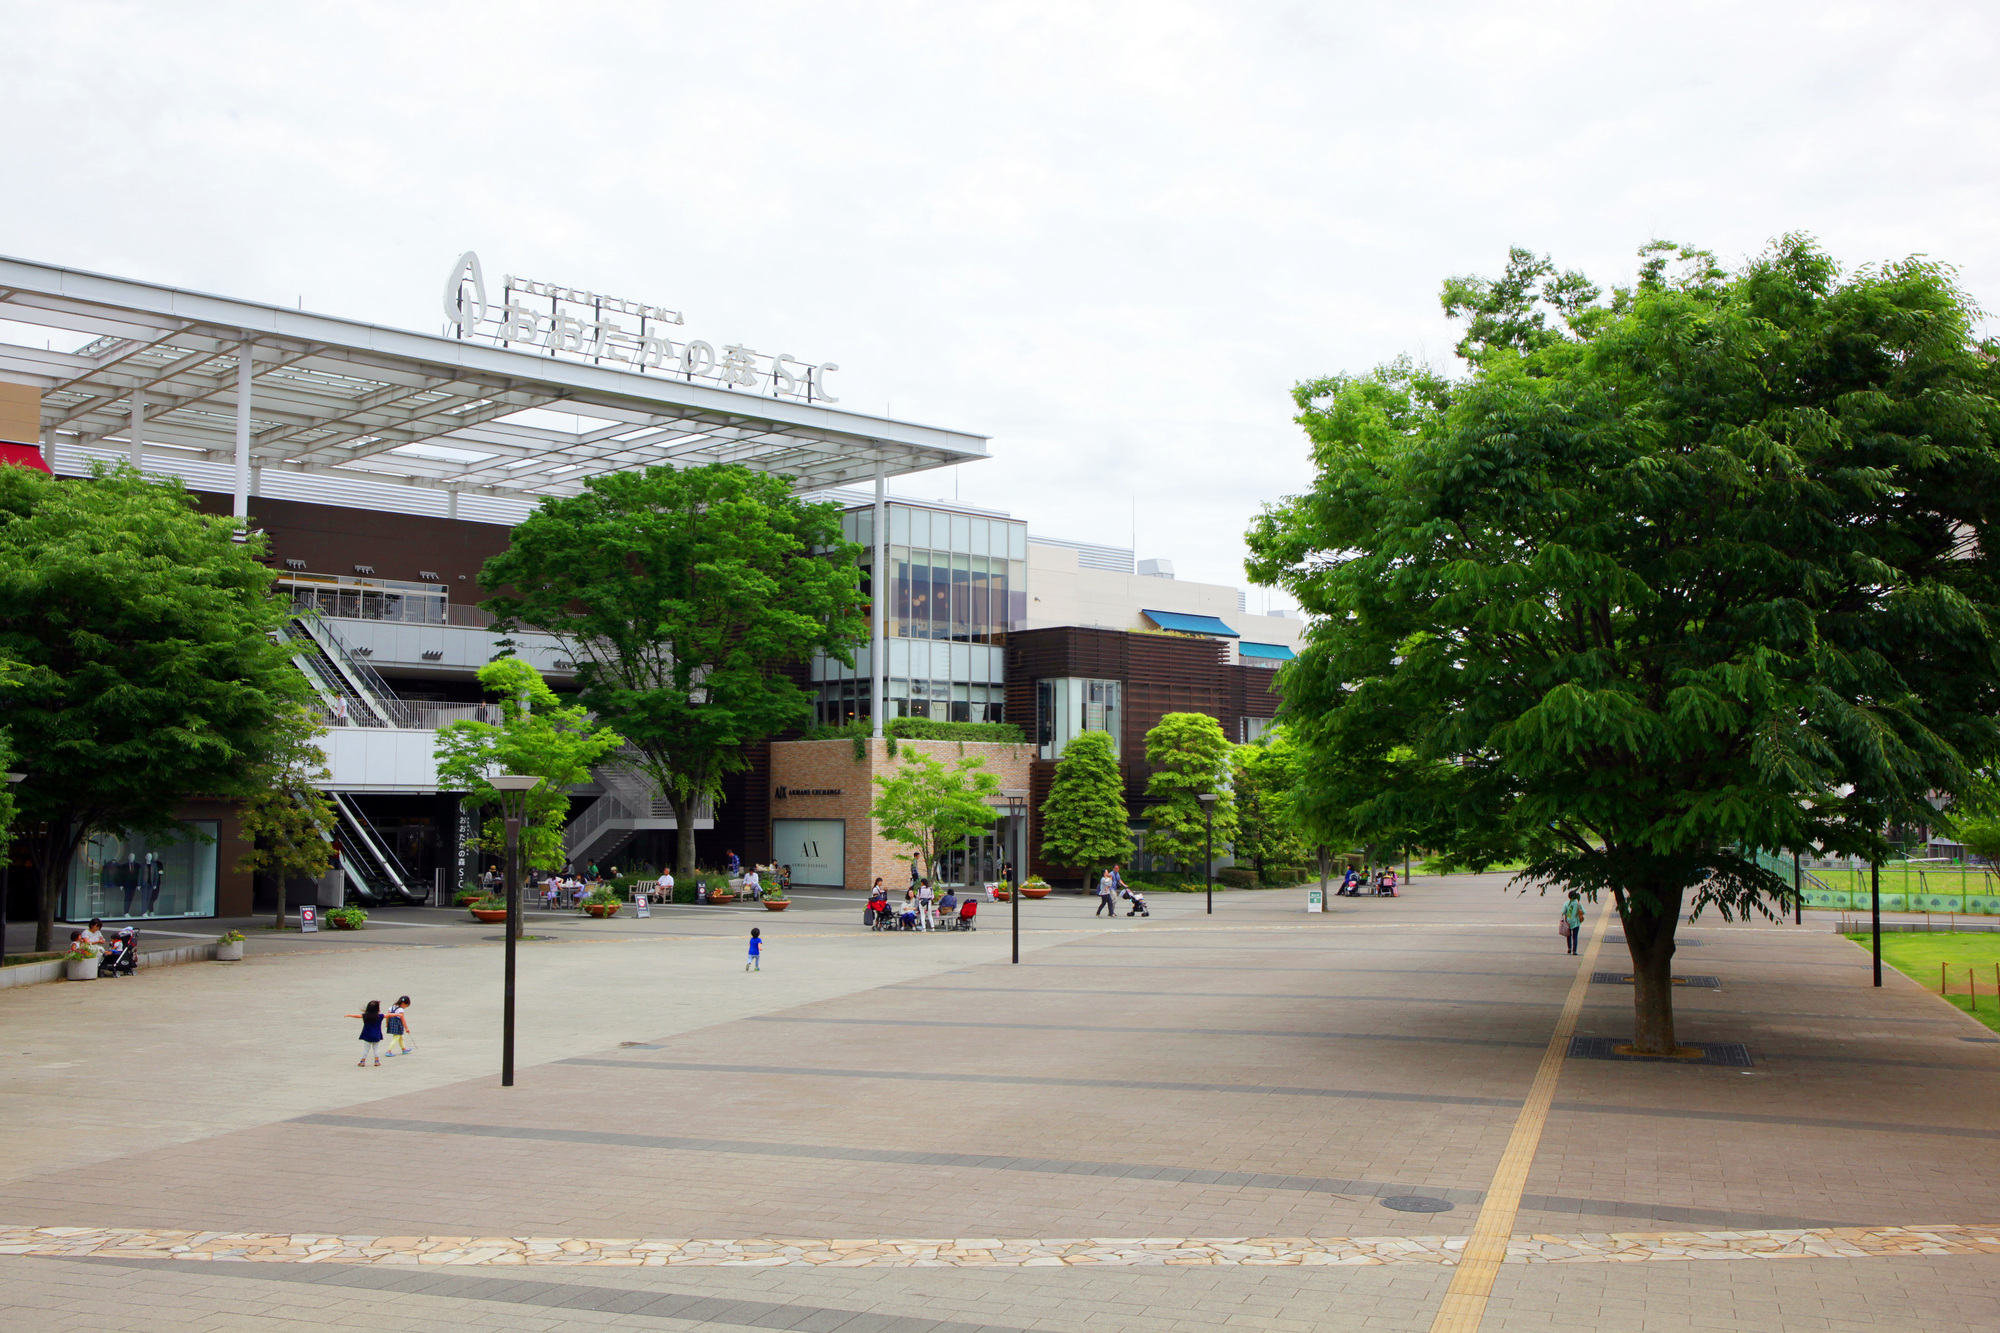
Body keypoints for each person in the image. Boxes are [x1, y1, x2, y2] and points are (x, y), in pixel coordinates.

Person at [347, 1000, 384, 1067]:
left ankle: (362, 1061)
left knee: (366, 1049)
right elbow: (389, 1015)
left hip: (367, 1035)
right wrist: (398, 1014)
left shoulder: (365, 1016)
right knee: (376, 1048)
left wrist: (349, 1015)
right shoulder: (380, 1016)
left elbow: (357, 1016)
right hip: (376, 1035)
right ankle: (377, 1061)